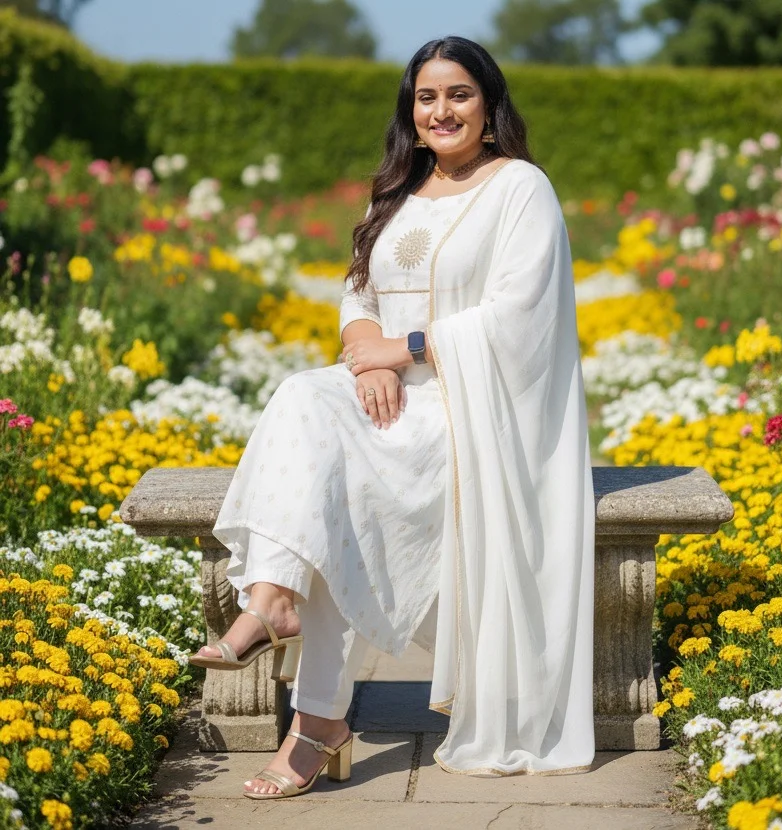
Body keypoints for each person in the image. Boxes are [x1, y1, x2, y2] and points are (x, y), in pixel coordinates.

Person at [190, 34, 595, 799]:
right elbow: (358, 291)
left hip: (473, 411)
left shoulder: (519, 189)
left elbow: (519, 321)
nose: (441, 110)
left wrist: (399, 355)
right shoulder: (399, 192)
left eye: (459, 94)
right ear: (410, 112)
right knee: (308, 401)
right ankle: (280, 613)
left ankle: (307, 699)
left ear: (489, 104)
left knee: (341, 483)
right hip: (387, 391)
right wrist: (362, 346)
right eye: (426, 96)